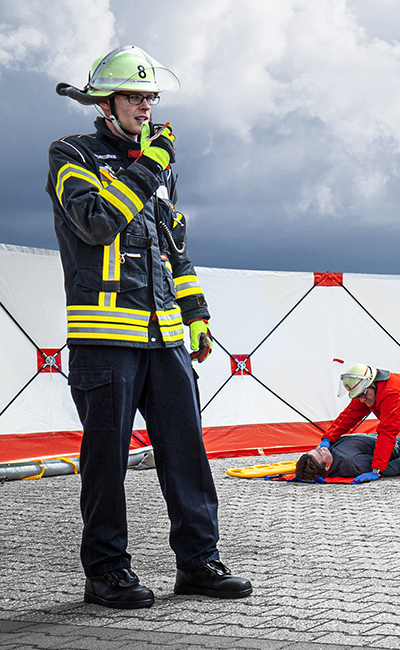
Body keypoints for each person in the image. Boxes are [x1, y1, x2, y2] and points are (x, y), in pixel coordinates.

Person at [48, 46, 250, 609]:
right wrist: (148, 165)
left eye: (150, 96)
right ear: (106, 103)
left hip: (166, 339)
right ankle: (107, 573)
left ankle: (199, 563)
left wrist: (197, 312)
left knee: (187, 451)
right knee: (106, 458)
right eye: (135, 96)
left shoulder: (156, 168)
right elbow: (94, 224)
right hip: (105, 337)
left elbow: (173, 252)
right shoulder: (71, 155)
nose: (146, 105)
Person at [294, 434, 400, 481]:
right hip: (399, 446)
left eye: (316, 450)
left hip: (379, 437)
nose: (320, 448)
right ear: (326, 466)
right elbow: (382, 467)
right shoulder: (353, 463)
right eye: (320, 453)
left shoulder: (329, 456)